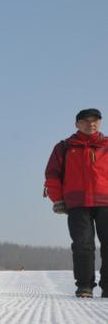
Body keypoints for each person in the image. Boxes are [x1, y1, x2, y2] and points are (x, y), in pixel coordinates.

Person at [44, 108, 108, 298]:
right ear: (77, 124)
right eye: (87, 121)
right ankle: (84, 286)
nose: (92, 124)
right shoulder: (64, 147)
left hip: (106, 201)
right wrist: (58, 199)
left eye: (95, 120)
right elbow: (52, 175)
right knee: (82, 244)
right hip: (77, 203)